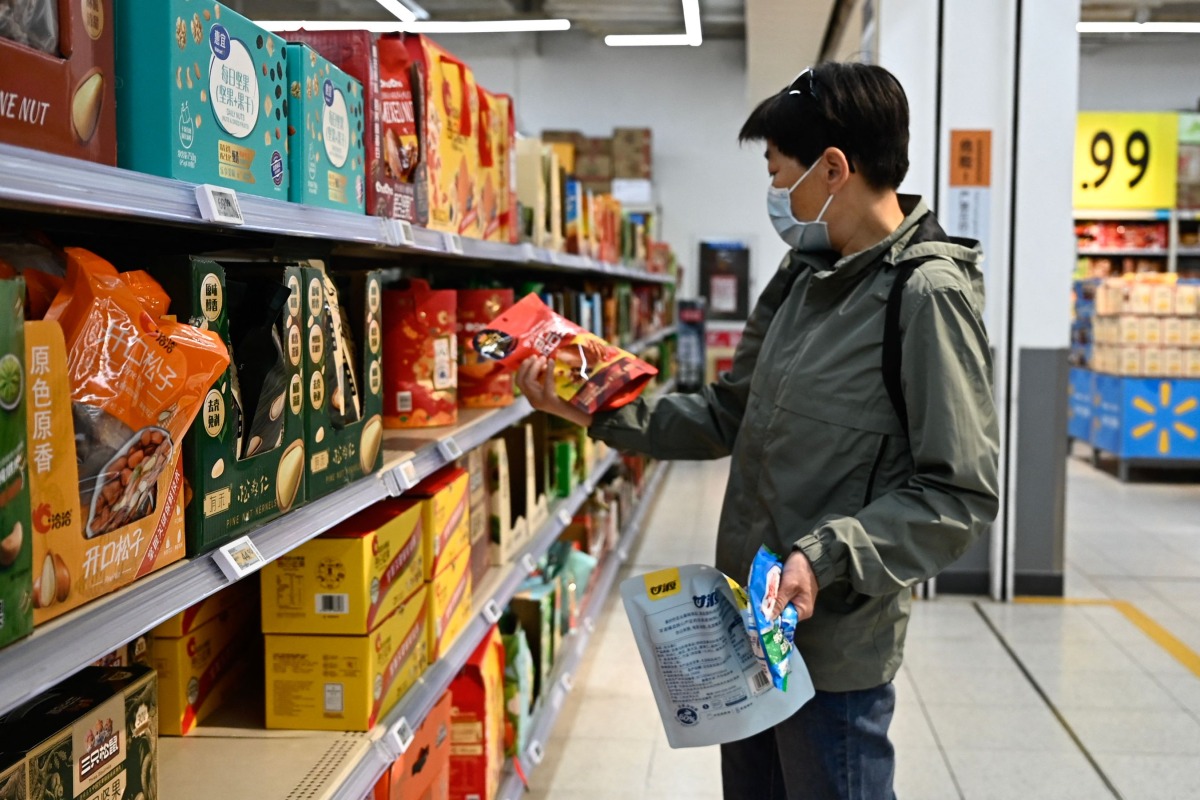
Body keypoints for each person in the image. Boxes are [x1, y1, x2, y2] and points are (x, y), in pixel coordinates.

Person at [517, 61, 1000, 800]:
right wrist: (597, 404)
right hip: (745, 633)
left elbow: (957, 496)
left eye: (779, 173)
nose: (775, 194)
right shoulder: (802, 278)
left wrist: (824, 556)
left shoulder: (924, 295)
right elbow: (725, 415)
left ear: (834, 169)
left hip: (831, 655)